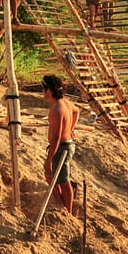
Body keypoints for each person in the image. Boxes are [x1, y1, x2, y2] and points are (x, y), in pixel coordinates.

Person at [42, 74, 79, 215]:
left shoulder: (57, 110)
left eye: (43, 89)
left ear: (49, 91)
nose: (42, 92)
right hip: (64, 145)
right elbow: (77, 111)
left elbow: (56, 138)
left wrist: (49, 159)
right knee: (50, 175)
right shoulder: (66, 103)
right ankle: (59, 202)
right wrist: (71, 128)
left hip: (62, 147)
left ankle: (67, 210)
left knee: (63, 180)